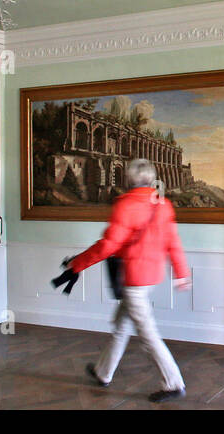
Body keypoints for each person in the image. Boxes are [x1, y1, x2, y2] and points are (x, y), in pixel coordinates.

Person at [54, 158, 191, 403]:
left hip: (134, 278)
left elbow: (109, 245)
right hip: (151, 277)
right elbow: (173, 242)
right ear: (151, 178)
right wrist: (182, 273)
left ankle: (173, 383)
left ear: (129, 179)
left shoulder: (126, 205)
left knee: (148, 334)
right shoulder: (164, 205)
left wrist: (77, 263)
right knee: (121, 325)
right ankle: (103, 372)